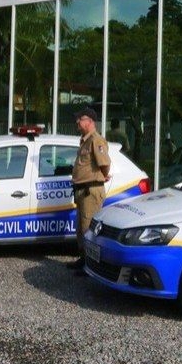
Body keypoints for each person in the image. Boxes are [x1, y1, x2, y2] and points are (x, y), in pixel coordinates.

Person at [69, 106, 111, 273]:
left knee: (88, 229)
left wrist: (102, 176)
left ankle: (91, 267)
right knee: (80, 229)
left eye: (80, 119)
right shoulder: (84, 140)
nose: (77, 122)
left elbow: (105, 163)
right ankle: (83, 259)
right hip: (82, 191)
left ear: (89, 121)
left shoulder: (96, 140)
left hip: (90, 191)